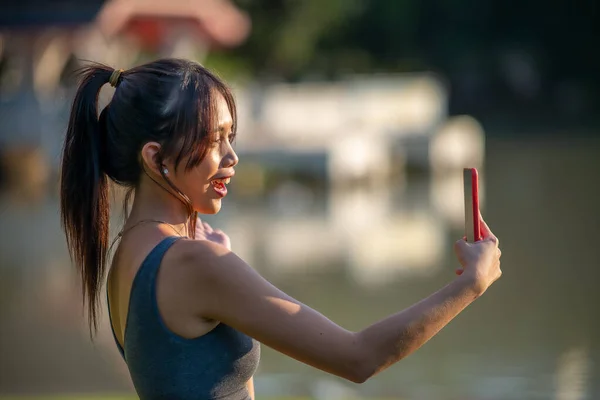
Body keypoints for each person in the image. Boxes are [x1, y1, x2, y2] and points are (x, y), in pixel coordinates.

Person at [60, 58, 502, 400]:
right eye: (213, 141)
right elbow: (359, 357)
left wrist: (219, 259)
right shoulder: (195, 263)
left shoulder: (128, 254)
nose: (232, 157)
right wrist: (470, 284)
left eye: (231, 136)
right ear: (156, 159)